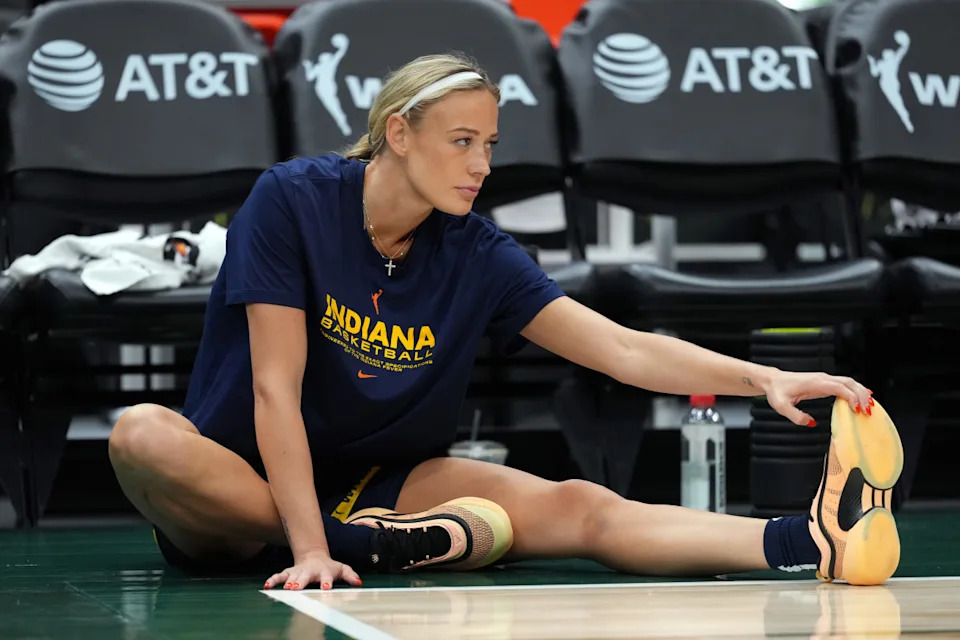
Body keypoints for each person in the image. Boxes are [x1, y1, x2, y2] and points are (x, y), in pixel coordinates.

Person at [107, 52, 903, 593]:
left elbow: (621, 348)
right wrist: (315, 551)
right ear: (398, 134)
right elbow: (274, 391)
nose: (481, 165)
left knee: (580, 505)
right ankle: (358, 544)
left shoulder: (477, 251)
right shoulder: (291, 201)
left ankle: (807, 541)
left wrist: (762, 377)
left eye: (487, 144)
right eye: (461, 142)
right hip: (238, 487)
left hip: (389, 488)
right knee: (140, 435)